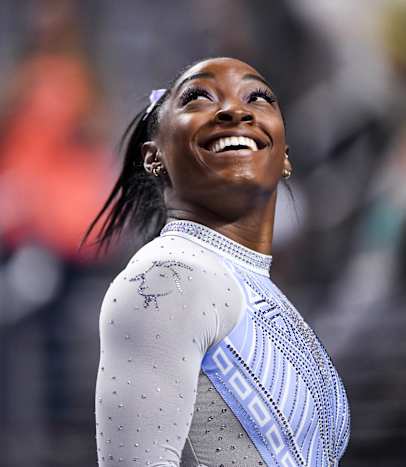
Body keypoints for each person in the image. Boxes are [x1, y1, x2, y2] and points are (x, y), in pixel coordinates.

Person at [86, 57, 350, 466]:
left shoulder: (255, 288)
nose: (235, 110)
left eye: (258, 98)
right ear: (153, 156)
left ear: (283, 155)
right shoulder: (170, 277)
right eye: (198, 97)